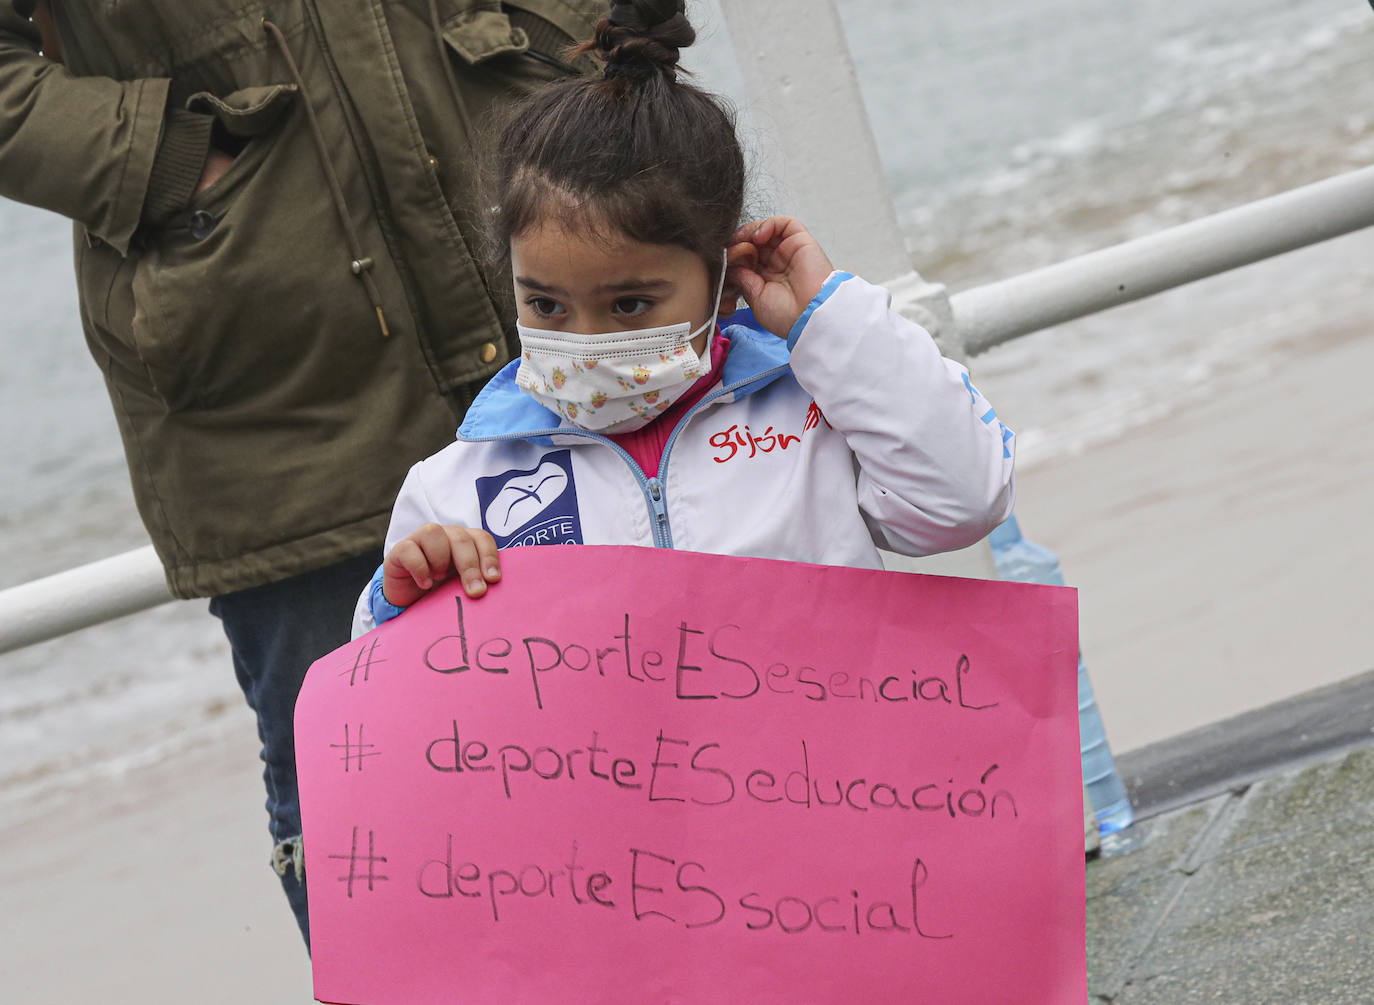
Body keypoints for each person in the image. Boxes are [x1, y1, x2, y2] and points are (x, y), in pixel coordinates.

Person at [0, 0, 605, 948]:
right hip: (274, 387)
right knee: (375, 812)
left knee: (665, 755)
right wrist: (163, 155)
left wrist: (571, 41)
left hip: (576, 278)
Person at [351, 0, 1016, 639]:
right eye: (547, 304)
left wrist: (829, 319)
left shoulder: (812, 415)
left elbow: (962, 500)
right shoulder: (462, 484)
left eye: (629, 304)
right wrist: (400, 598)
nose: (583, 344)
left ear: (722, 284)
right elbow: (402, 690)